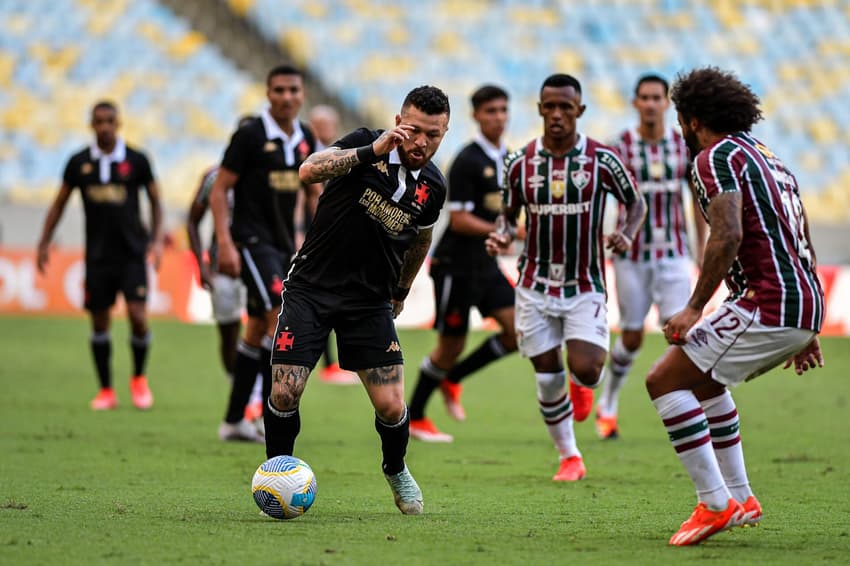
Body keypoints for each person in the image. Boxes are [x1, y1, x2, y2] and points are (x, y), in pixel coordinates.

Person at [647, 66, 825, 546]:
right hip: (802, 298)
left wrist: (693, 307)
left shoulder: (714, 158)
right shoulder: (770, 159)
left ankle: (715, 502)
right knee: (704, 380)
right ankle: (742, 497)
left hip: (769, 300)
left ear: (690, 119)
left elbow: (727, 234)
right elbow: (799, 236)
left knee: (663, 381)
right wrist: (808, 327)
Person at [268, 85, 451, 515]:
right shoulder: (363, 144)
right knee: (284, 393)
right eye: (415, 130)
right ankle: (277, 473)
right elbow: (309, 171)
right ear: (398, 121)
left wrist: (401, 292)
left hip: (370, 300)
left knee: (390, 404)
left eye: (435, 134)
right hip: (312, 288)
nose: (423, 142)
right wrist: (372, 149)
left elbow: (421, 238)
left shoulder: (433, 187)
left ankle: (396, 468)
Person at [486, 74, 646, 481]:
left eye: (566, 107)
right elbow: (508, 215)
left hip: (584, 283)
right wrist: (502, 235)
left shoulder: (602, 159)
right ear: (540, 109)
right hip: (535, 284)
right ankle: (570, 456)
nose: (557, 115)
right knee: (546, 371)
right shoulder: (519, 162)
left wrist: (626, 233)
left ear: (580, 111)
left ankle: (584, 381)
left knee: (588, 368)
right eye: (550, 107)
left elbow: (635, 202)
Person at [210, 64, 320, 442]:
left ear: (302, 94)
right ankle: (265, 411)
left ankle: (234, 419)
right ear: (267, 94)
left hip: (283, 245)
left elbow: (313, 193)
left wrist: (316, 239)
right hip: (251, 242)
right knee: (279, 316)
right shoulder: (250, 135)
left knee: (257, 327)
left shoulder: (305, 137)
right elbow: (219, 189)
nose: (287, 97)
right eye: (279, 90)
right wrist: (225, 243)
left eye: (293, 90)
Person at [595, 74, 707, 440]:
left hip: (674, 253)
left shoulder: (682, 145)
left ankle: (690, 407)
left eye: (657, 97)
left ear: (666, 103)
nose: (650, 103)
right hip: (633, 256)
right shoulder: (622, 146)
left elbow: (696, 198)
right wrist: (605, 233)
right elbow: (603, 193)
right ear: (635, 102)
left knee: (681, 332)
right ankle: (608, 403)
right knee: (631, 337)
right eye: (644, 97)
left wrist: (701, 246)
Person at [407, 85, 518, 442]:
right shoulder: (468, 160)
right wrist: (506, 231)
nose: (498, 117)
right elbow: (459, 221)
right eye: (490, 111)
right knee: (450, 345)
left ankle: (453, 378)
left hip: (485, 264)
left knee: (519, 333)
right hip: (456, 264)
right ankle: (416, 416)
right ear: (475, 116)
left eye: (502, 110)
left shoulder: (508, 159)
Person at [36, 100, 162, 410]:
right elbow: (59, 203)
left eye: (110, 121)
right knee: (100, 322)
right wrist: (43, 242)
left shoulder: (137, 160)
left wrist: (157, 241)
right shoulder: (79, 162)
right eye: (99, 121)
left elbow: (156, 202)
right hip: (98, 257)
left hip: (132, 254)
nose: (105, 126)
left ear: (118, 124)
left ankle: (138, 379)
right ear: (92, 125)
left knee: (138, 317)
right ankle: (106, 390)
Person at [306, 104, 359, 385]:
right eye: (322, 124)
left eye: (331, 124)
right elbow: (312, 196)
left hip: (333, 236)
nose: (328, 129)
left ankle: (332, 363)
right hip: (315, 237)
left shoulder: (338, 153)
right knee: (321, 297)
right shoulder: (310, 157)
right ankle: (325, 363)